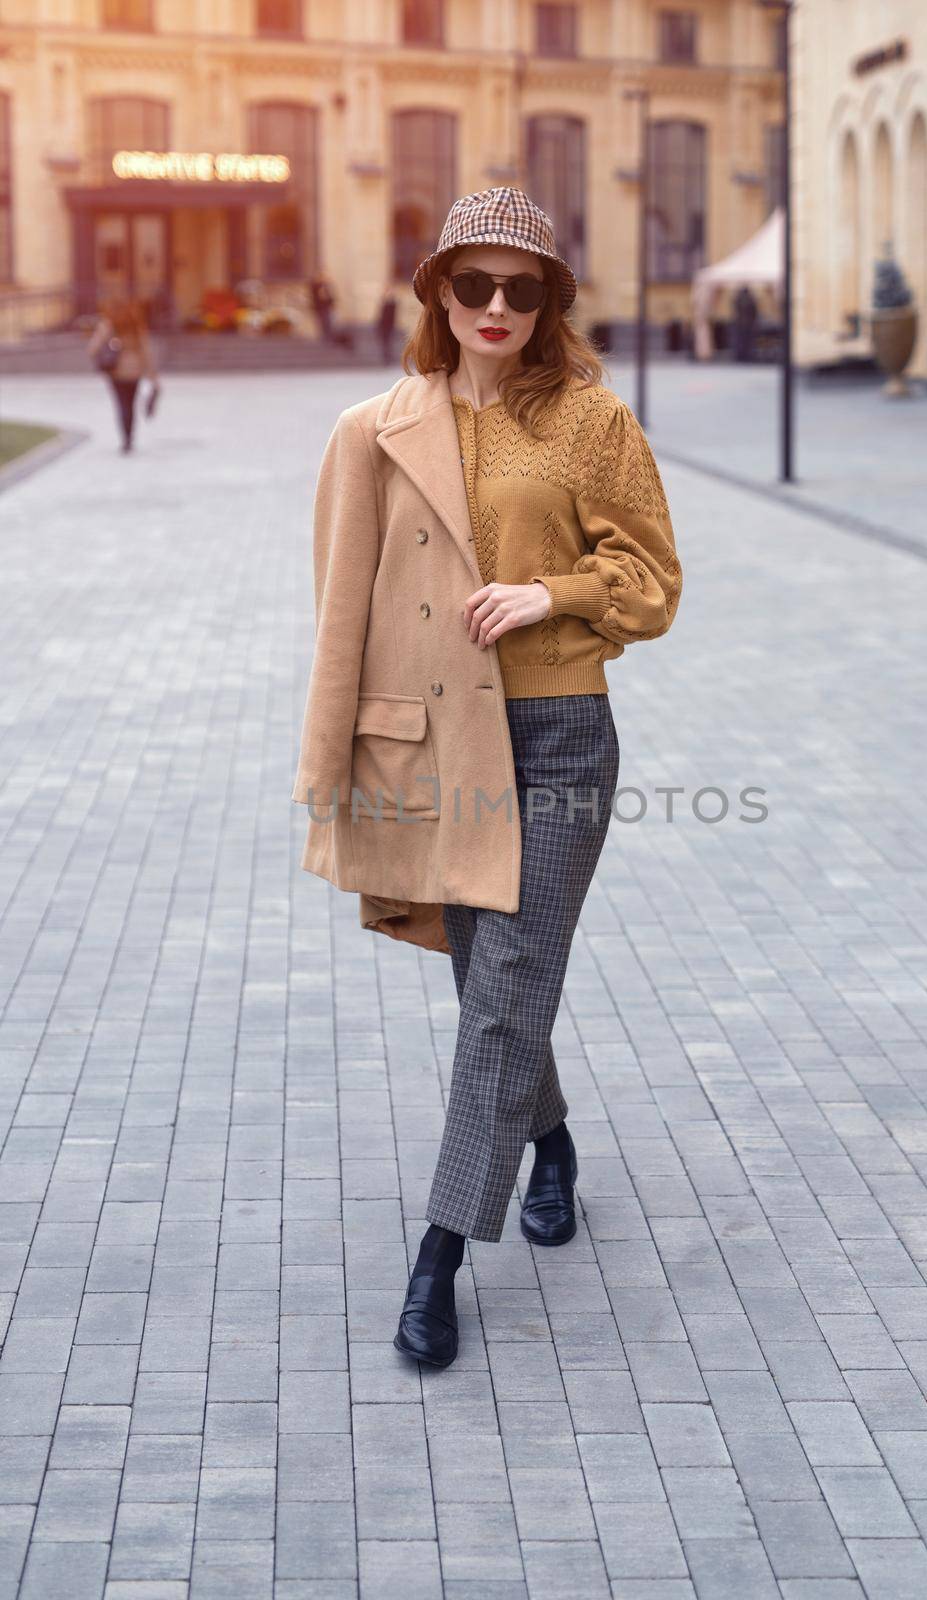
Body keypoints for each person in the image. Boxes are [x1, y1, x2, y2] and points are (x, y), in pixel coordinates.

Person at [290, 187, 683, 1369]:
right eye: (476, 284)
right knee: (491, 982)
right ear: (438, 294)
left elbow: (652, 578)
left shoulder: (590, 421)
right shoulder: (373, 428)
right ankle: (549, 1144)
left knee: (506, 986)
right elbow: (336, 609)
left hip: (558, 729)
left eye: (525, 288)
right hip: (434, 745)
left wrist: (552, 592)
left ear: (551, 302)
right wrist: (329, 763)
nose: (498, 307)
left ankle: (440, 1251)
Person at [87, 297, 160, 453]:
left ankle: (125, 440)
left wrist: (104, 355)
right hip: (135, 370)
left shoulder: (108, 325)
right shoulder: (136, 326)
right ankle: (130, 438)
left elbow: (92, 348)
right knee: (131, 405)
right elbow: (146, 351)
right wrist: (152, 375)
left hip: (116, 371)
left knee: (121, 405)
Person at [731, 282, 759, 363]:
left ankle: (740, 355)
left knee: (740, 341)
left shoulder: (738, 299)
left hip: (740, 323)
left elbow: (735, 310)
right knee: (748, 341)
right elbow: (754, 311)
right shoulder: (751, 299)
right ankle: (747, 355)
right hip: (749, 323)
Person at [308, 271, 336, 342]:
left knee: (328, 322)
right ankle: (325, 337)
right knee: (322, 322)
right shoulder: (316, 287)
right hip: (320, 307)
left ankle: (328, 336)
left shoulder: (326, 286)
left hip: (326, 307)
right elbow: (314, 298)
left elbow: (330, 296)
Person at [377, 289, 397, 365]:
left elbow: (391, 316)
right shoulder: (385, 303)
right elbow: (381, 316)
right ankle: (386, 358)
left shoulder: (392, 304)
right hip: (383, 325)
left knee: (388, 342)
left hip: (388, 326)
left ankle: (388, 358)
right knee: (385, 342)